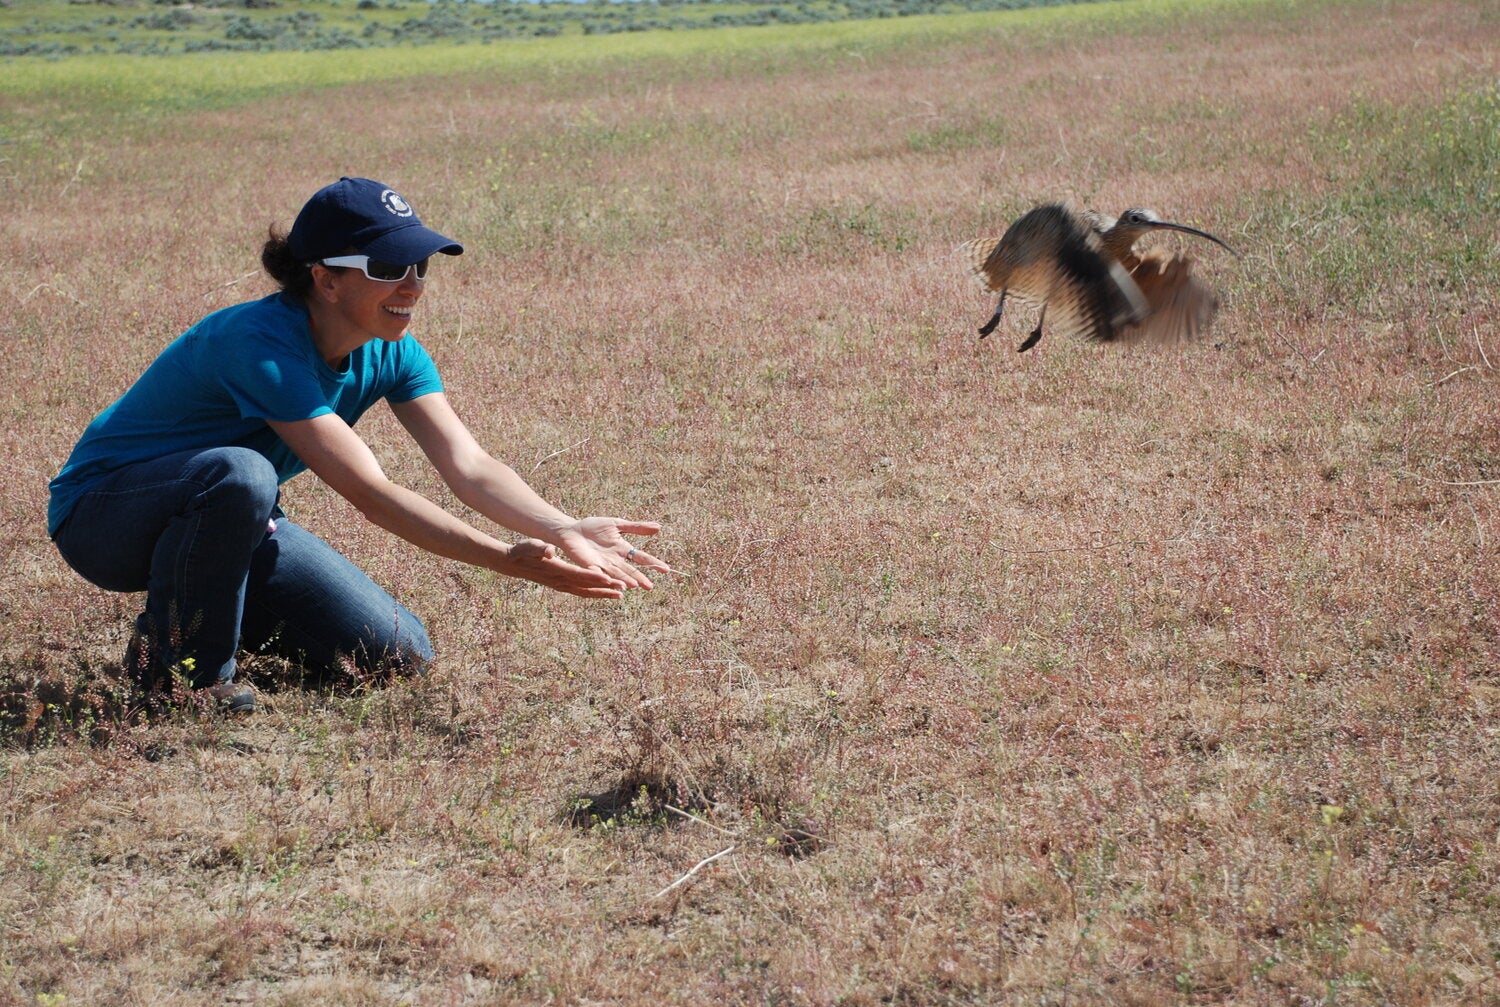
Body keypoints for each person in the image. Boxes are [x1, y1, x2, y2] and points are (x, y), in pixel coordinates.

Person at [47, 177, 668, 714]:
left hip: (234, 519)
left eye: (419, 268)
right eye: (387, 269)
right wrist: (504, 558)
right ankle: (177, 677)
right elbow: (372, 493)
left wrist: (562, 528)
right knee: (242, 474)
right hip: (105, 518)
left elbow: (469, 464)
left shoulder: (393, 348)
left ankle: (208, 613)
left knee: (394, 652)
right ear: (325, 279)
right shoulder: (256, 343)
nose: (412, 286)